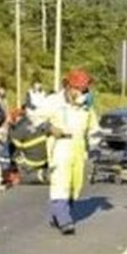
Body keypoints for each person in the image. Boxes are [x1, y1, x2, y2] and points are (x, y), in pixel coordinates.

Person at [32, 69, 99, 234]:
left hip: (78, 149)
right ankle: (64, 220)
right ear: (69, 87)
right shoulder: (54, 102)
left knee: (74, 185)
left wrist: (96, 147)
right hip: (60, 146)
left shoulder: (85, 108)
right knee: (60, 183)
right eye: (80, 89)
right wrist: (49, 127)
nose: (83, 93)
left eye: (85, 90)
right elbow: (34, 117)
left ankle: (57, 215)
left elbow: (93, 129)